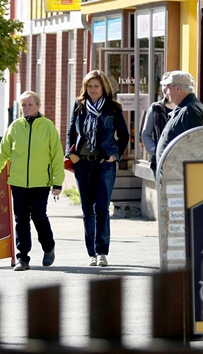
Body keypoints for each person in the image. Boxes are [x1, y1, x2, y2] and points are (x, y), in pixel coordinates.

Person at [0, 91, 64, 271]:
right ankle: (23, 258)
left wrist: (57, 182)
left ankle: (48, 246)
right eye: (23, 105)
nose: (26, 108)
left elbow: (56, 157)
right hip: (18, 182)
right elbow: (2, 154)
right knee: (21, 219)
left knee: (38, 216)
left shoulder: (48, 127)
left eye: (30, 104)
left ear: (38, 106)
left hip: (40, 182)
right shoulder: (15, 127)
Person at [66, 70, 129, 267]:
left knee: (101, 207)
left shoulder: (113, 108)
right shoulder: (79, 106)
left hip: (104, 164)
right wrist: (71, 154)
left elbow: (124, 135)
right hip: (83, 163)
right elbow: (70, 132)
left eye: (96, 86)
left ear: (103, 87)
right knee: (87, 209)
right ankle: (91, 253)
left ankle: (102, 251)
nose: (92, 89)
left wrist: (114, 155)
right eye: (89, 86)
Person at [155, 70, 203, 165]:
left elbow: (193, 148)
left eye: (168, 88)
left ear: (177, 88)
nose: (166, 93)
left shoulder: (190, 110)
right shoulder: (185, 108)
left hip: (178, 176)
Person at [141, 72, 177, 177]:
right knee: (163, 191)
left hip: (179, 160)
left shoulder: (184, 108)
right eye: (163, 85)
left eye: (169, 85)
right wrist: (156, 150)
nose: (166, 88)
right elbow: (145, 134)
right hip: (159, 162)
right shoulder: (155, 108)